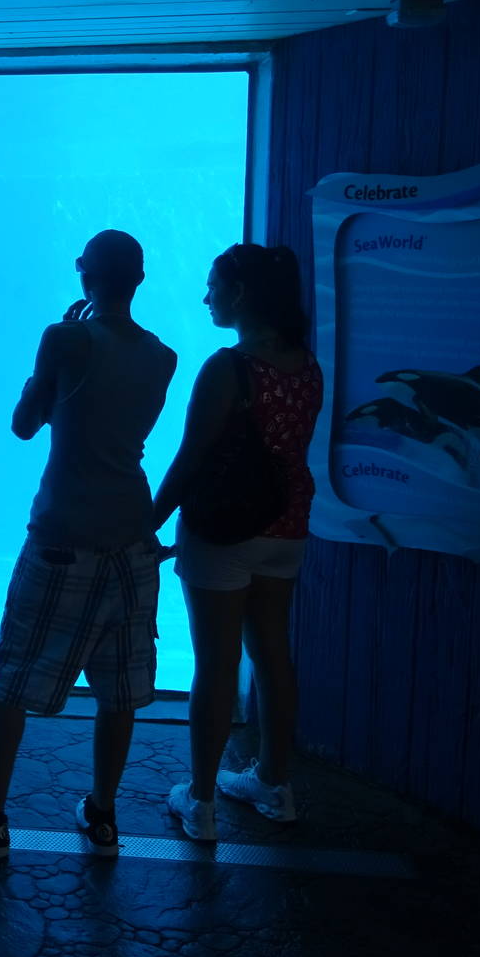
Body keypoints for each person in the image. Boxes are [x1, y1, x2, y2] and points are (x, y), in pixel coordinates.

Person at [0, 230, 177, 859]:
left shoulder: (64, 339)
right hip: (133, 541)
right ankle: (102, 816)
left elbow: (24, 425)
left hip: (64, 534)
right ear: (140, 279)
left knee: (11, 677)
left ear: (81, 274)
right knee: (119, 688)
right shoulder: (164, 356)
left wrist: (53, 357)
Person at [151, 244, 322, 841]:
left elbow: (190, 460)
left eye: (213, 285)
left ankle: (199, 801)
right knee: (273, 655)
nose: (206, 296)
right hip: (287, 527)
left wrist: (145, 523)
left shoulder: (229, 368)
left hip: (223, 533)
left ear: (240, 293)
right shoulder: (306, 364)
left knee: (216, 666)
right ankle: (274, 784)